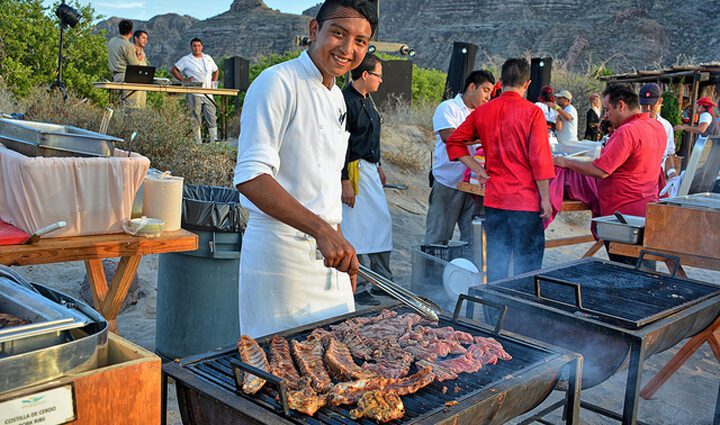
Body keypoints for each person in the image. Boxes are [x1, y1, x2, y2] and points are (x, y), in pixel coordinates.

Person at [233, 0, 377, 338]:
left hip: (327, 257)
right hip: (281, 257)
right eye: (338, 34)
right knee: (283, 366)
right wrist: (322, 231)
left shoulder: (337, 97)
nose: (347, 49)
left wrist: (338, 237)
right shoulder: (277, 83)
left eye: (359, 41)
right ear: (314, 30)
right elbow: (251, 176)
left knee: (336, 361)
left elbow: (322, 180)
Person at [446, 58, 554, 282]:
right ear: (527, 84)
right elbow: (540, 160)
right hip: (525, 201)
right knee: (528, 266)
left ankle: (495, 312)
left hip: (495, 201)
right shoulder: (533, 113)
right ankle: (524, 312)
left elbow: (454, 142)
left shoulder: (483, 111)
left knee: (497, 262)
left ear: (501, 81)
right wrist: (546, 198)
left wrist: (477, 168)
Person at [554, 83, 666, 264]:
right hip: (646, 210)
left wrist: (566, 162)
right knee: (644, 268)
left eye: (607, 110)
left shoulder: (627, 132)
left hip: (622, 216)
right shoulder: (656, 127)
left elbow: (601, 170)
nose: (606, 115)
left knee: (627, 271)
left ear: (621, 105)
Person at [340, 53, 392, 305]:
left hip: (370, 169)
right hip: (353, 170)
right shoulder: (345, 101)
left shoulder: (368, 100)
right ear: (365, 75)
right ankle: (357, 286)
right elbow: (339, 145)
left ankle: (382, 281)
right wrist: (344, 181)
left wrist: (379, 164)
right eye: (378, 75)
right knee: (357, 229)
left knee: (380, 223)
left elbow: (372, 138)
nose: (381, 81)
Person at [424, 70, 496, 245]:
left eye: (491, 93)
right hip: (448, 183)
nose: (488, 97)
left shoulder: (483, 114)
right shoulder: (448, 107)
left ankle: (467, 272)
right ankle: (430, 272)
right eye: (485, 90)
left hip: (473, 186)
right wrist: (482, 137)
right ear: (472, 87)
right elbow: (449, 136)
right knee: (438, 237)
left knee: (474, 239)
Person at [171, 38, 220, 144]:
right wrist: (183, 80)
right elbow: (174, 70)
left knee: (211, 116)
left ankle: (214, 141)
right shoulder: (186, 59)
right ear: (191, 47)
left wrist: (213, 83)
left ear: (202, 47)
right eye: (194, 46)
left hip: (208, 92)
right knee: (195, 117)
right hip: (194, 91)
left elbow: (216, 70)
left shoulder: (208, 58)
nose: (197, 48)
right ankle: (198, 142)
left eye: (198, 45)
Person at [638, 83, 676, 177]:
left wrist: (672, 174)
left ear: (660, 101)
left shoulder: (666, 126)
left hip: (657, 177)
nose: (647, 109)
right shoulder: (633, 126)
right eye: (644, 105)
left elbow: (668, 155)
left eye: (651, 105)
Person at [107, 19, 140, 104]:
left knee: (116, 104)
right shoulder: (128, 45)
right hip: (126, 78)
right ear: (130, 32)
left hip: (115, 78)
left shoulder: (111, 41)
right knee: (128, 106)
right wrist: (138, 57)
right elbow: (135, 65)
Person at [126, 30, 149, 109]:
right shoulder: (130, 50)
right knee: (131, 108)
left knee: (141, 108)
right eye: (143, 38)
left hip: (142, 86)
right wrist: (138, 58)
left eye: (146, 39)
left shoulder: (143, 53)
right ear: (136, 38)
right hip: (132, 86)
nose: (145, 41)